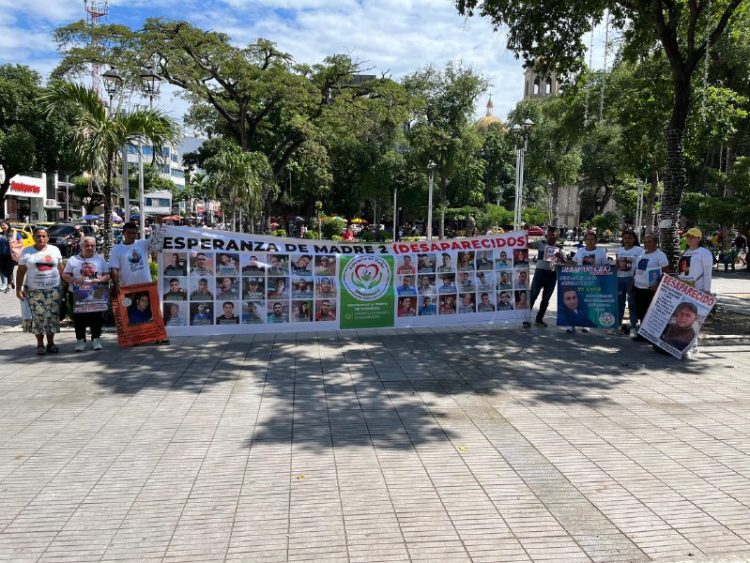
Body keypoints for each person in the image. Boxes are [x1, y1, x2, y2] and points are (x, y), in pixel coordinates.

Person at [16, 227, 64, 355]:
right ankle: (40, 344)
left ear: (48, 237)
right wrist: (18, 289)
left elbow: (61, 269)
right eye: (38, 236)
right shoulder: (27, 251)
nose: (41, 238)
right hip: (34, 290)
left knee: (52, 317)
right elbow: (21, 272)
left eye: (43, 236)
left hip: (54, 289)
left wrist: (67, 285)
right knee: (37, 318)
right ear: (33, 237)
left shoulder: (55, 250)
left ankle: (51, 343)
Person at [62, 236, 110, 352]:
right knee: (79, 318)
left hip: (97, 292)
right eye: (87, 245)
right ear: (81, 246)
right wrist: (75, 280)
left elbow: (107, 275)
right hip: (78, 293)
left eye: (92, 245)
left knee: (97, 317)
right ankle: (80, 341)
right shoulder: (73, 260)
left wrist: (100, 279)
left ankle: (96, 339)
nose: (90, 248)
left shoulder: (100, 260)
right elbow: (65, 275)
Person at [632, 234, 670, 342]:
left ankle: (650, 334)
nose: (647, 243)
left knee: (650, 311)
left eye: (649, 241)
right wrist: (633, 283)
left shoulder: (660, 255)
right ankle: (643, 333)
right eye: (645, 241)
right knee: (641, 311)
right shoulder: (642, 253)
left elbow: (665, 272)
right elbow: (637, 270)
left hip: (651, 289)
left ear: (655, 243)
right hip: (639, 287)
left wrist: (658, 285)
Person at [525, 226, 564, 328]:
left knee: (546, 299)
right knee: (533, 295)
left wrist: (561, 258)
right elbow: (527, 245)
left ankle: (539, 319)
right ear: (546, 235)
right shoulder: (540, 243)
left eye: (554, 235)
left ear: (557, 236)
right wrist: (523, 234)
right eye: (550, 234)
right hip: (539, 273)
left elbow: (564, 263)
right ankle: (525, 319)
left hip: (552, 274)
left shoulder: (559, 248)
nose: (551, 236)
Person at [614, 229, 644, 334]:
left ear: (634, 239)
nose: (627, 240)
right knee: (619, 303)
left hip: (632, 279)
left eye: (630, 238)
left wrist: (635, 280)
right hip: (619, 279)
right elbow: (617, 264)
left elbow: (641, 267)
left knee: (632, 303)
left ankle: (633, 326)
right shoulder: (619, 250)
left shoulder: (639, 251)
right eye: (625, 238)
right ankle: (617, 324)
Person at [110, 222, 153, 290]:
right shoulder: (116, 249)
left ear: (136, 233)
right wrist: (115, 285)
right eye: (128, 233)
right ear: (123, 233)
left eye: (133, 233)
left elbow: (157, 240)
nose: (131, 235)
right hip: (128, 289)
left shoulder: (142, 243)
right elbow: (114, 269)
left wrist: (159, 224)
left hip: (147, 286)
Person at [677, 228, 713, 293]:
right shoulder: (685, 252)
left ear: (699, 239)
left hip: (698, 290)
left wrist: (707, 290)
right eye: (688, 236)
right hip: (683, 288)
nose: (689, 238)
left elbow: (707, 273)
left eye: (692, 237)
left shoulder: (704, 252)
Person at [0, 221, 22, 292]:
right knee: (2, 270)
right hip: (1, 255)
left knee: (9, 270)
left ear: (8, 225)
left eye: (4, 225)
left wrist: (14, 245)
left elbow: (21, 243)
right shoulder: (0, 234)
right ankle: (4, 283)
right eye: (1, 225)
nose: (3, 227)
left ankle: (9, 285)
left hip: (11, 255)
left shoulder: (14, 233)